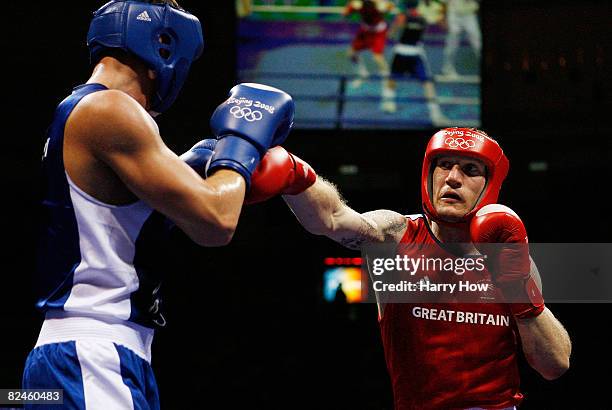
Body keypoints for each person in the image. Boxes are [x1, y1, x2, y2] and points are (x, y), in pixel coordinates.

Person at [23, 1, 300, 408]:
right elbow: (216, 221)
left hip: (88, 354)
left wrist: (192, 164)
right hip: (92, 353)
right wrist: (241, 145)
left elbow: (117, 224)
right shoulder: (111, 109)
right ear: (164, 47)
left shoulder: (82, 110)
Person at [245, 127, 572, 409]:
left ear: (490, 185)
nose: (453, 178)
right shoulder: (397, 235)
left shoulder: (511, 257)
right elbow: (332, 218)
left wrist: (517, 286)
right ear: (429, 174)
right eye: (444, 165)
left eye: (470, 169)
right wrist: (293, 175)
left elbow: (554, 365)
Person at [382, 5, 449, 126]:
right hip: (408, 52)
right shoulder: (421, 14)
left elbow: (390, 35)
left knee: (393, 79)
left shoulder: (413, 15)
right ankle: (436, 114)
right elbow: (445, 27)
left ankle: (389, 102)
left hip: (406, 52)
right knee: (427, 83)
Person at [343, 0, 396, 98]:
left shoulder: (381, 4)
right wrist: (349, 8)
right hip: (365, 32)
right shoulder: (357, 4)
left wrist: (384, 8)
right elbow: (345, 13)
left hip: (378, 33)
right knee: (351, 54)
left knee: (378, 58)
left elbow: (391, 7)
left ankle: (388, 84)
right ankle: (362, 73)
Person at [440, 0, 481, 77]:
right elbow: (443, 3)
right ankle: (447, 70)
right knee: (452, 44)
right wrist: (444, 18)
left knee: (478, 44)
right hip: (454, 13)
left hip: (470, 14)